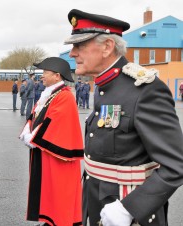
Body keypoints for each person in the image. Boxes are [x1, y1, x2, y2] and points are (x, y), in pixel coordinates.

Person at [65, 9, 183, 226]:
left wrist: (131, 208)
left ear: (108, 46)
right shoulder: (104, 86)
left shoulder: (145, 90)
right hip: (99, 203)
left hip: (129, 213)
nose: (72, 53)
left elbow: (176, 165)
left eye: (79, 46)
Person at [19, 57, 84, 226]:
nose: (42, 76)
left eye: (45, 73)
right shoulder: (49, 94)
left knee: (59, 191)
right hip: (44, 150)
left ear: (57, 76)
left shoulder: (65, 96)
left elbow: (54, 122)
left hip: (56, 154)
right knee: (47, 189)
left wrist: (33, 138)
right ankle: (50, 220)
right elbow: (35, 115)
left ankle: (60, 221)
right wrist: (27, 130)